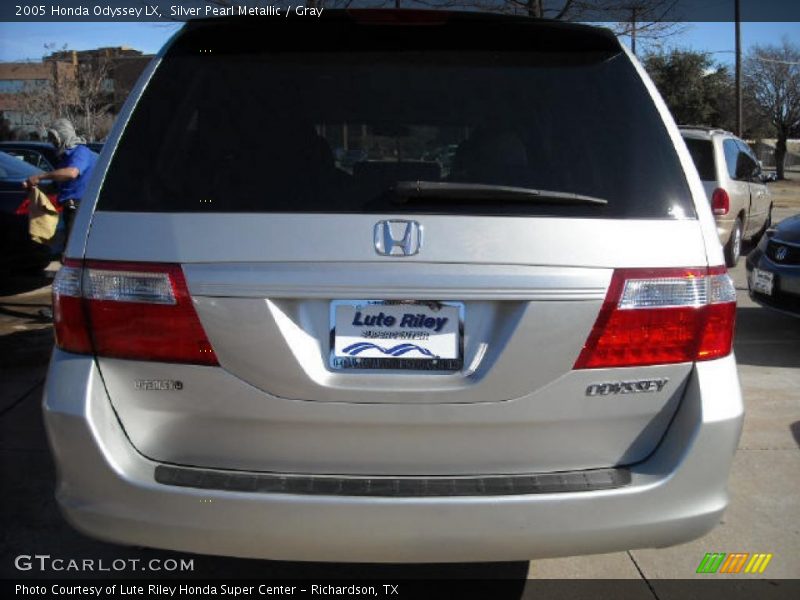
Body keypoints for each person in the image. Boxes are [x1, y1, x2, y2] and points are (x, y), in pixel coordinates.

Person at [23, 118, 99, 246]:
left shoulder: (81, 153)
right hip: (69, 210)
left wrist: (41, 177)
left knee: (71, 249)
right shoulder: (65, 158)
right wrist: (36, 188)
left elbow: (71, 173)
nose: (52, 143)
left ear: (62, 136)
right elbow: (59, 186)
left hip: (80, 209)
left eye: (54, 138)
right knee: (65, 248)